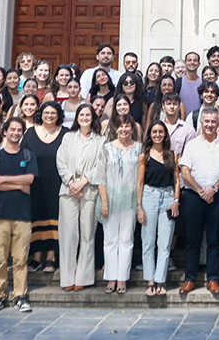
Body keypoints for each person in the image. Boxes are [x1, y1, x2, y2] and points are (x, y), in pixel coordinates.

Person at [178, 107, 219, 297]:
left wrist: (214, 189)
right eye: (207, 122)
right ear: (201, 123)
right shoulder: (192, 145)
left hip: (217, 195)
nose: (210, 125)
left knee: (214, 239)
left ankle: (213, 278)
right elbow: (185, 170)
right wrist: (199, 190)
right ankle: (190, 278)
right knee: (192, 239)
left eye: (213, 121)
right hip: (194, 196)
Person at [0, 117, 36, 312]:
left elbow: (29, 181)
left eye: (19, 130)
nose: (15, 132)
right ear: (5, 131)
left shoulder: (28, 155)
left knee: (20, 259)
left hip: (22, 215)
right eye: (12, 129)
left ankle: (20, 295)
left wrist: (3, 180)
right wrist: (18, 184)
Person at [56, 104, 108, 292]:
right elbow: (60, 161)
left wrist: (83, 182)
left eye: (88, 114)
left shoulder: (100, 140)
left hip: (89, 190)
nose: (85, 117)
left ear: (93, 117)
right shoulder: (68, 137)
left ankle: (83, 277)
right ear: (77, 117)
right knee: (68, 234)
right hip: (68, 190)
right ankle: (67, 278)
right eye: (81, 114)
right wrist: (71, 182)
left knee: (87, 234)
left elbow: (101, 165)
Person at [137, 121, 179, 296]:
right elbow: (139, 183)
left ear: (165, 134)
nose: (157, 135)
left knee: (165, 242)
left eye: (160, 131)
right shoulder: (144, 156)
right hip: (149, 196)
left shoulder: (172, 155)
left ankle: (161, 279)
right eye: (154, 132)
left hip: (168, 198)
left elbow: (177, 180)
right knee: (148, 242)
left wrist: (176, 200)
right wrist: (139, 206)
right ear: (150, 135)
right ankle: (150, 280)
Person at [21, 102, 64, 273]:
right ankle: (37, 256)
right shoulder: (31, 133)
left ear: (58, 115)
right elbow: (22, 156)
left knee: (55, 217)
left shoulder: (65, 133)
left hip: (57, 183)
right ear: (41, 114)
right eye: (46, 112)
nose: (49, 116)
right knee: (37, 216)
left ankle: (52, 256)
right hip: (35, 183)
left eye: (53, 113)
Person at [100, 114, 140, 294]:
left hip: (130, 200)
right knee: (110, 240)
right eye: (120, 126)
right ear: (115, 128)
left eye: (127, 126)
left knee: (126, 240)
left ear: (132, 128)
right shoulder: (107, 148)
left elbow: (140, 179)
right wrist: (104, 202)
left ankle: (122, 278)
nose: (124, 129)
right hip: (110, 199)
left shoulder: (138, 148)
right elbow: (100, 177)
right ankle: (111, 278)